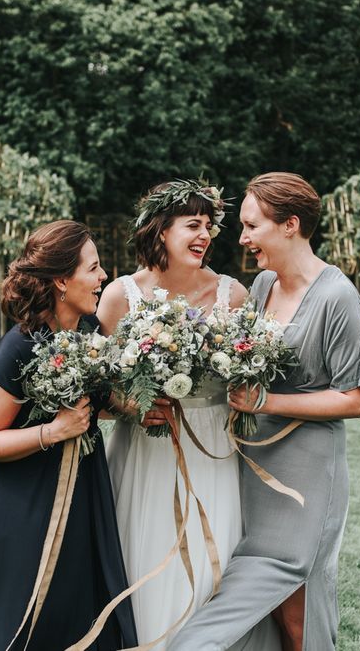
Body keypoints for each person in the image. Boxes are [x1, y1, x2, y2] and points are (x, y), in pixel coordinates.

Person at [169, 172, 360, 651]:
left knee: (294, 601)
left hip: (306, 475)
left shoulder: (338, 298)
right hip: (255, 464)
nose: (241, 238)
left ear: (290, 225)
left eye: (251, 225)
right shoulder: (261, 286)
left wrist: (267, 402)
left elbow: (355, 399)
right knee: (275, 613)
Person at [0, 220, 137, 651]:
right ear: (62, 281)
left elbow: (97, 401)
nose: (103, 276)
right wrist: (53, 431)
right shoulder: (20, 345)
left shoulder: (88, 335)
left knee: (76, 605)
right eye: (94, 268)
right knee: (26, 610)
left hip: (84, 493)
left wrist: (138, 407)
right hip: (27, 504)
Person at [97, 179, 267, 649]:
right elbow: (100, 389)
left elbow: (250, 370)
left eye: (209, 226)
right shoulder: (119, 296)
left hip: (214, 447)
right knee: (146, 556)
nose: (205, 235)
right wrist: (130, 405)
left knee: (217, 556)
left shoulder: (234, 295)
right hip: (146, 453)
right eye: (193, 225)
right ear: (159, 230)